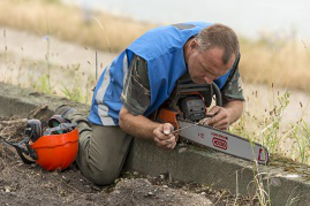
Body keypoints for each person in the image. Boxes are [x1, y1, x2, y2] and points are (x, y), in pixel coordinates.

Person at [56, 22, 245, 185]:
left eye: (217, 75)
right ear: (193, 46)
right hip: (119, 100)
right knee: (101, 171)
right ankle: (72, 117)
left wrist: (227, 114)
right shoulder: (151, 58)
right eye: (205, 70)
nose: (209, 81)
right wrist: (154, 130)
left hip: (159, 96)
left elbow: (236, 102)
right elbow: (126, 118)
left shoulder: (224, 55)